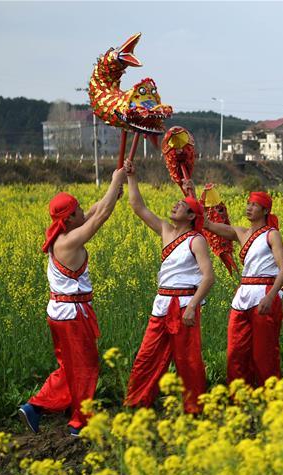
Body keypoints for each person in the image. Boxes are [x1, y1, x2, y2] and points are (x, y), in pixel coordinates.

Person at [18, 164, 130, 436]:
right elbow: (100, 216)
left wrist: (114, 191)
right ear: (68, 218)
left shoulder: (62, 233)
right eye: (77, 209)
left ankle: (36, 408)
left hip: (61, 313)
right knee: (86, 368)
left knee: (70, 367)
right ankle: (79, 422)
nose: (83, 210)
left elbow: (95, 210)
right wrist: (115, 180)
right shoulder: (68, 242)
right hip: (73, 316)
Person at [124, 181, 214, 413]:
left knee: (188, 360)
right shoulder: (165, 230)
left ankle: (194, 408)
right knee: (147, 355)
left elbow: (208, 277)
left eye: (181, 205)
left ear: (191, 216)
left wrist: (192, 306)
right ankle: (137, 402)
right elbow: (138, 206)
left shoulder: (196, 240)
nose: (175, 205)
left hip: (184, 305)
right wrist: (131, 177)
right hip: (162, 303)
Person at [203, 191, 283, 387]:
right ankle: (239, 394)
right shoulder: (240, 233)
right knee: (236, 350)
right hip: (243, 295)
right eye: (248, 203)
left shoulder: (272, 234)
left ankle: (270, 394)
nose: (249, 208)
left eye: (254, 205)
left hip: (264, 293)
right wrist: (192, 193)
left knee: (264, 352)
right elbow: (207, 225)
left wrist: (270, 297)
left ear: (265, 211)